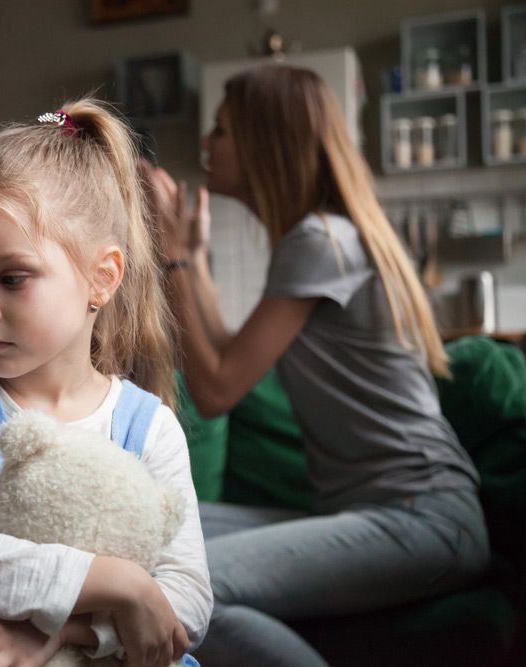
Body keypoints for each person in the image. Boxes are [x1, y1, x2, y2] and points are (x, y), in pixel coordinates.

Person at [144, 64, 489, 666]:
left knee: (184, 592)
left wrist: (169, 257)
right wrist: (193, 260)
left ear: (264, 142)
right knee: (151, 523)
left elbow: (217, 389)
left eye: (220, 131)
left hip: (424, 518)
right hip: (373, 512)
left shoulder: (320, 239)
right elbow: (230, 352)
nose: (206, 144)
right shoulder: (315, 239)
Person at [0, 100, 212, 667]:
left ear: (102, 277)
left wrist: (65, 635)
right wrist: (119, 584)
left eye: (12, 278)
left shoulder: (150, 426)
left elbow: (188, 597)